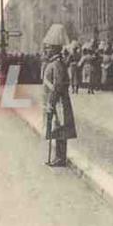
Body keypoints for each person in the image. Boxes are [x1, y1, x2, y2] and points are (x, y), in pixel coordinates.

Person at [41, 24, 76, 167]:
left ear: (55, 48)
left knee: (60, 128)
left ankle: (61, 158)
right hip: (56, 101)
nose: (46, 50)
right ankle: (58, 156)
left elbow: (58, 85)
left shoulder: (57, 64)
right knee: (56, 128)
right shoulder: (55, 62)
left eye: (48, 47)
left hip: (58, 101)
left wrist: (51, 102)